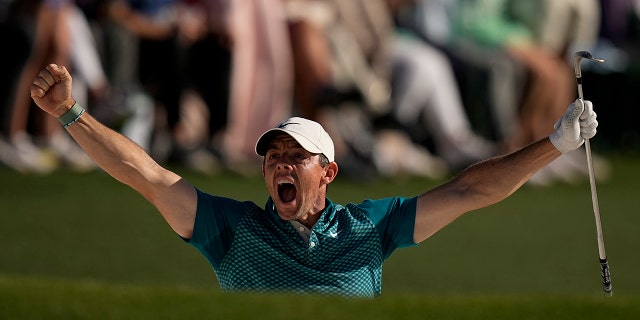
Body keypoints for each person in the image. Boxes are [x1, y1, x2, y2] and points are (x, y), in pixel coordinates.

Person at [30, 63, 598, 297]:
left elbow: (470, 190)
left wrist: (554, 145)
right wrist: (69, 114)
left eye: (295, 156)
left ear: (326, 172)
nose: (280, 163)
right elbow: (147, 176)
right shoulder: (231, 230)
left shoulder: (370, 227)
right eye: (272, 154)